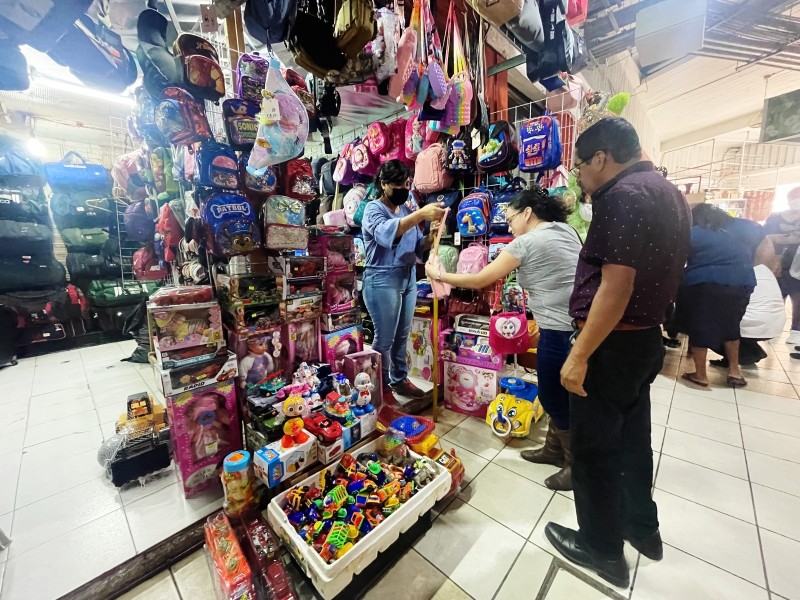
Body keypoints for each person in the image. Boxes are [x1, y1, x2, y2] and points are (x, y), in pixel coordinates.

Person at [547, 117, 691, 588]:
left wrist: (580, 354)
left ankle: (602, 549)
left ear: (601, 159)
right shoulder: (668, 192)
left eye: (580, 166)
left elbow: (616, 286)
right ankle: (641, 528)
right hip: (645, 339)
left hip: (612, 343)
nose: (579, 177)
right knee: (632, 440)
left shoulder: (620, 198)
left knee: (593, 450)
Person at [425, 187, 581, 490]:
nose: (508, 226)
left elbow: (481, 279)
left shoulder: (528, 241)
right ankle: (553, 450)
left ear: (527, 213)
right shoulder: (565, 230)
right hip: (574, 324)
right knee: (559, 394)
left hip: (558, 328)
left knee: (552, 395)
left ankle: (576, 465)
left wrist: (439, 275)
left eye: (510, 220)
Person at [361, 160, 446, 402]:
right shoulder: (372, 210)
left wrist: (431, 235)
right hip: (381, 279)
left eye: (406, 183)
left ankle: (398, 380)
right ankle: (378, 386)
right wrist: (421, 213)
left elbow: (418, 246)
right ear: (383, 184)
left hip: (407, 277)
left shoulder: (407, 212)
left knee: (402, 336)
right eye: (397, 184)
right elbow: (387, 232)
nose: (403, 188)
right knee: (384, 339)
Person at [676, 204, 758, 388]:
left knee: (700, 325)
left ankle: (700, 375)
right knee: (731, 325)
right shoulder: (736, 233)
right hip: (742, 282)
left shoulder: (694, 233)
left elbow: (675, 259)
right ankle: (734, 372)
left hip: (705, 283)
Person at [710, 264, 786, 367]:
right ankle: (753, 351)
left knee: (706, 324)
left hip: (752, 325)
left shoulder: (736, 270)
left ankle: (743, 355)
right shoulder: (764, 269)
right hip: (776, 324)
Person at [764, 186, 800, 345]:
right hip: (775, 262)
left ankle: (796, 330)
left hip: (797, 267)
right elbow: (765, 237)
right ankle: (773, 328)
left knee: (798, 299)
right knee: (775, 298)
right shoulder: (775, 217)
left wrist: (781, 238)